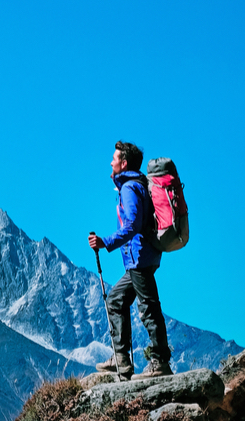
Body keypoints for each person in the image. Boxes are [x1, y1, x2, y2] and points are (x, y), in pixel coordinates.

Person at [88, 140, 173, 379]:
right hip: (143, 257)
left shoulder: (128, 187)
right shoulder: (139, 184)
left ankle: (159, 362)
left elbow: (133, 224)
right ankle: (121, 360)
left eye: (114, 158)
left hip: (139, 257)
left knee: (148, 307)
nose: (111, 162)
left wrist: (106, 242)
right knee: (116, 300)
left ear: (123, 163)